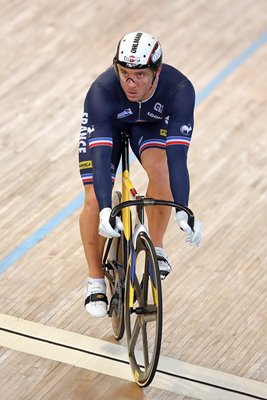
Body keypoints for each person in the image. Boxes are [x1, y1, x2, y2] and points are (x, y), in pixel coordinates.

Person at [79, 31, 202, 317]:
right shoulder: (102, 91)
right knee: (93, 201)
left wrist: (183, 209)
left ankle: (156, 246)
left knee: (160, 170)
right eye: (123, 73)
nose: (131, 84)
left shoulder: (179, 89)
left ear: (157, 71)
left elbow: (177, 157)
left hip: (149, 125)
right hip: (108, 125)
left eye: (141, 75)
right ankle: (95, 280)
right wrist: (105, 208)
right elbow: (99, 156)